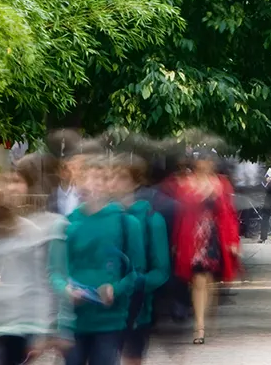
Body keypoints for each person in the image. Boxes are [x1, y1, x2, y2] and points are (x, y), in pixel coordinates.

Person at [0, 162, 73, 365]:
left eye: (16, 181)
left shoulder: (40, 229)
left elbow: (45, 281)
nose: (10, 187)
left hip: (19, 324)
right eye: (5, 181)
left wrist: (46, 330)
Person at [62, 157, 146, 365]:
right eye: (86, 178)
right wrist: (66, 289)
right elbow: (56, 270)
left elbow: (135, 271)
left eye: (100, 178)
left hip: (110, 321)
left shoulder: (127, 223)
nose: (93, 184)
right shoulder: (68, 224)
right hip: (74, 322)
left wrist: (114, 289)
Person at [163, 149, 241, 346]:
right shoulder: (187, 183)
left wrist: (233, 241)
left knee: (210, 280)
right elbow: (181, 212)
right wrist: (175, 242)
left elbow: (229, 213)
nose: (204, 165)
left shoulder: (221, 183)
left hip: (215, 236)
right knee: (198, 279)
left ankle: (206, 316)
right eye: (201, 161)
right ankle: (200, 326)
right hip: (193, 237)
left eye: (207, 161)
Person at [108, 155, 171, 365]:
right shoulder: (100, 216)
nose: (112, 183)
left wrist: (134, 284)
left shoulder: (152, 218)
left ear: (135, 182)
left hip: (136, 309)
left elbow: (161, 271)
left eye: (120, 177)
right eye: (109, 177)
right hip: (98, 309)